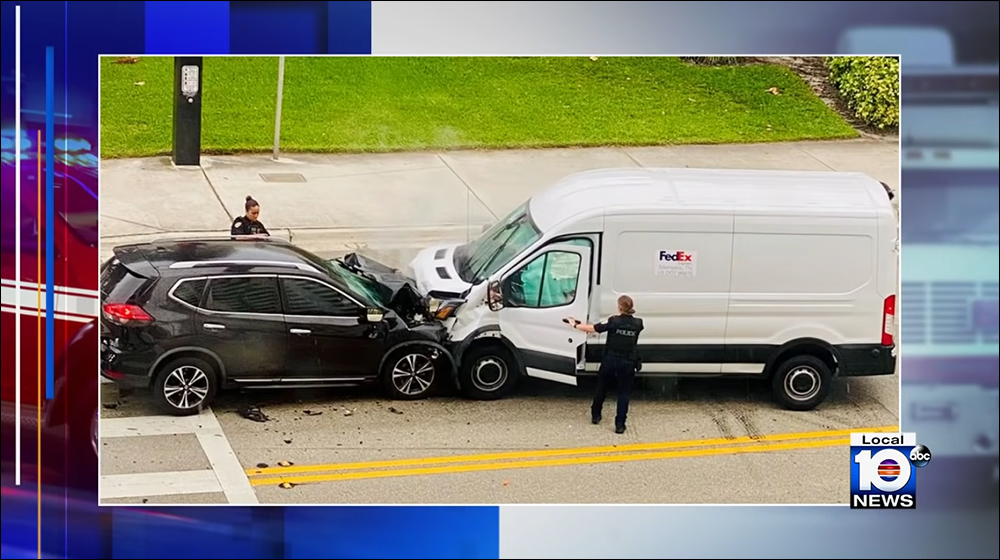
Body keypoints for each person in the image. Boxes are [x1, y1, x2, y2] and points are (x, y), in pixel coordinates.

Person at [565, 295, 644, 434]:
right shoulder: (638, 324)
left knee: (601, 388)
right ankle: (620, 424)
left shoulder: (613, 321)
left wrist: (574, 324)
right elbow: (627, 323)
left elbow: (593, 328)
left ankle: (596, 415)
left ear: (619, 307)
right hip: (627, 362)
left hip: (610, 360)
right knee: (623, 394)